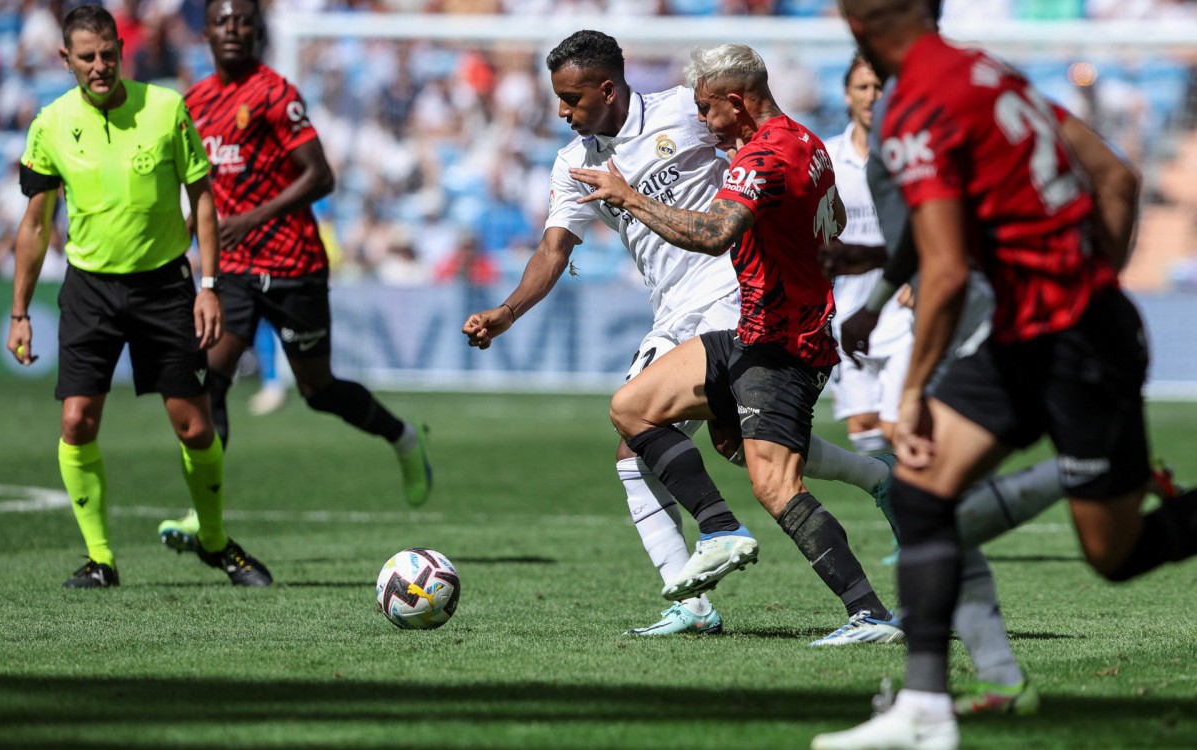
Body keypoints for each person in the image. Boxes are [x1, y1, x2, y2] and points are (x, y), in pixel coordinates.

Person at [814, 2, 1197, 749]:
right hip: (1045, 332)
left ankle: (930, 705)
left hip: (1075, 347)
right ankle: (926, 709)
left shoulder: (920, 105)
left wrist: (917, 389)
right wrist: (1095, 287)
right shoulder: (989, 73)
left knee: (1112, 555)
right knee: (922, 490)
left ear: (857, 24)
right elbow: (1115, 178)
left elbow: (949, 271)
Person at [464, 31, 900, 642]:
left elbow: (736, 201)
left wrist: (639, 197)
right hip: (672, 310)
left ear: (607, 89)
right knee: (732, 445)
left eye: (571, 98)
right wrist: (507, 312)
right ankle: (871, 480)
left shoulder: (685, 112)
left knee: (641, 437)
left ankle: (714, 558)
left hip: (734, 296)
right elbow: (555, 246)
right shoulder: (573, 163)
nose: (562, 111)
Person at [5, 4, 270, 588]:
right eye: (87, 57)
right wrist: (19, 311)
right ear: (65, 59)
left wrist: (207, 285)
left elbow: (202, 198)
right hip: (89, 290)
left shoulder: (165, 108)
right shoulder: (49, 123)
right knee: (76, 421)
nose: (100, 66)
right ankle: (101, 560)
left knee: (195, 429)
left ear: (121, 50)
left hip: (165, 287)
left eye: (108, 54)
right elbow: (33, 223)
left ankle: (216, 541)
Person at [156, 0, 433, 553]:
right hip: (232, 269)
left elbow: (321, 176)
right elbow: (199, 188)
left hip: (293, 265)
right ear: (205, 31)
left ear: (258, 30)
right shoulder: (194, 103)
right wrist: (187, 231)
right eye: (222, 21)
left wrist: (250, 219)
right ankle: (202, 514)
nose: (233, 29)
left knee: (317, 389)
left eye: (243, 20)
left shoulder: (275, 93)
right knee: (208, 377)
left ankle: (401, 438)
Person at [821, 55, 913, 461]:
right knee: (862, 425)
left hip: (905, 305)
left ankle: (923, 515)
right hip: (847, 306)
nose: (872, 96)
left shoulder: (910, 155)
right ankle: (903, 515)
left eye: (880, 87)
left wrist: (918, 273)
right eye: (863, 88)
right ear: (847, 95)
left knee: (899, 426)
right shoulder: (827, 157)